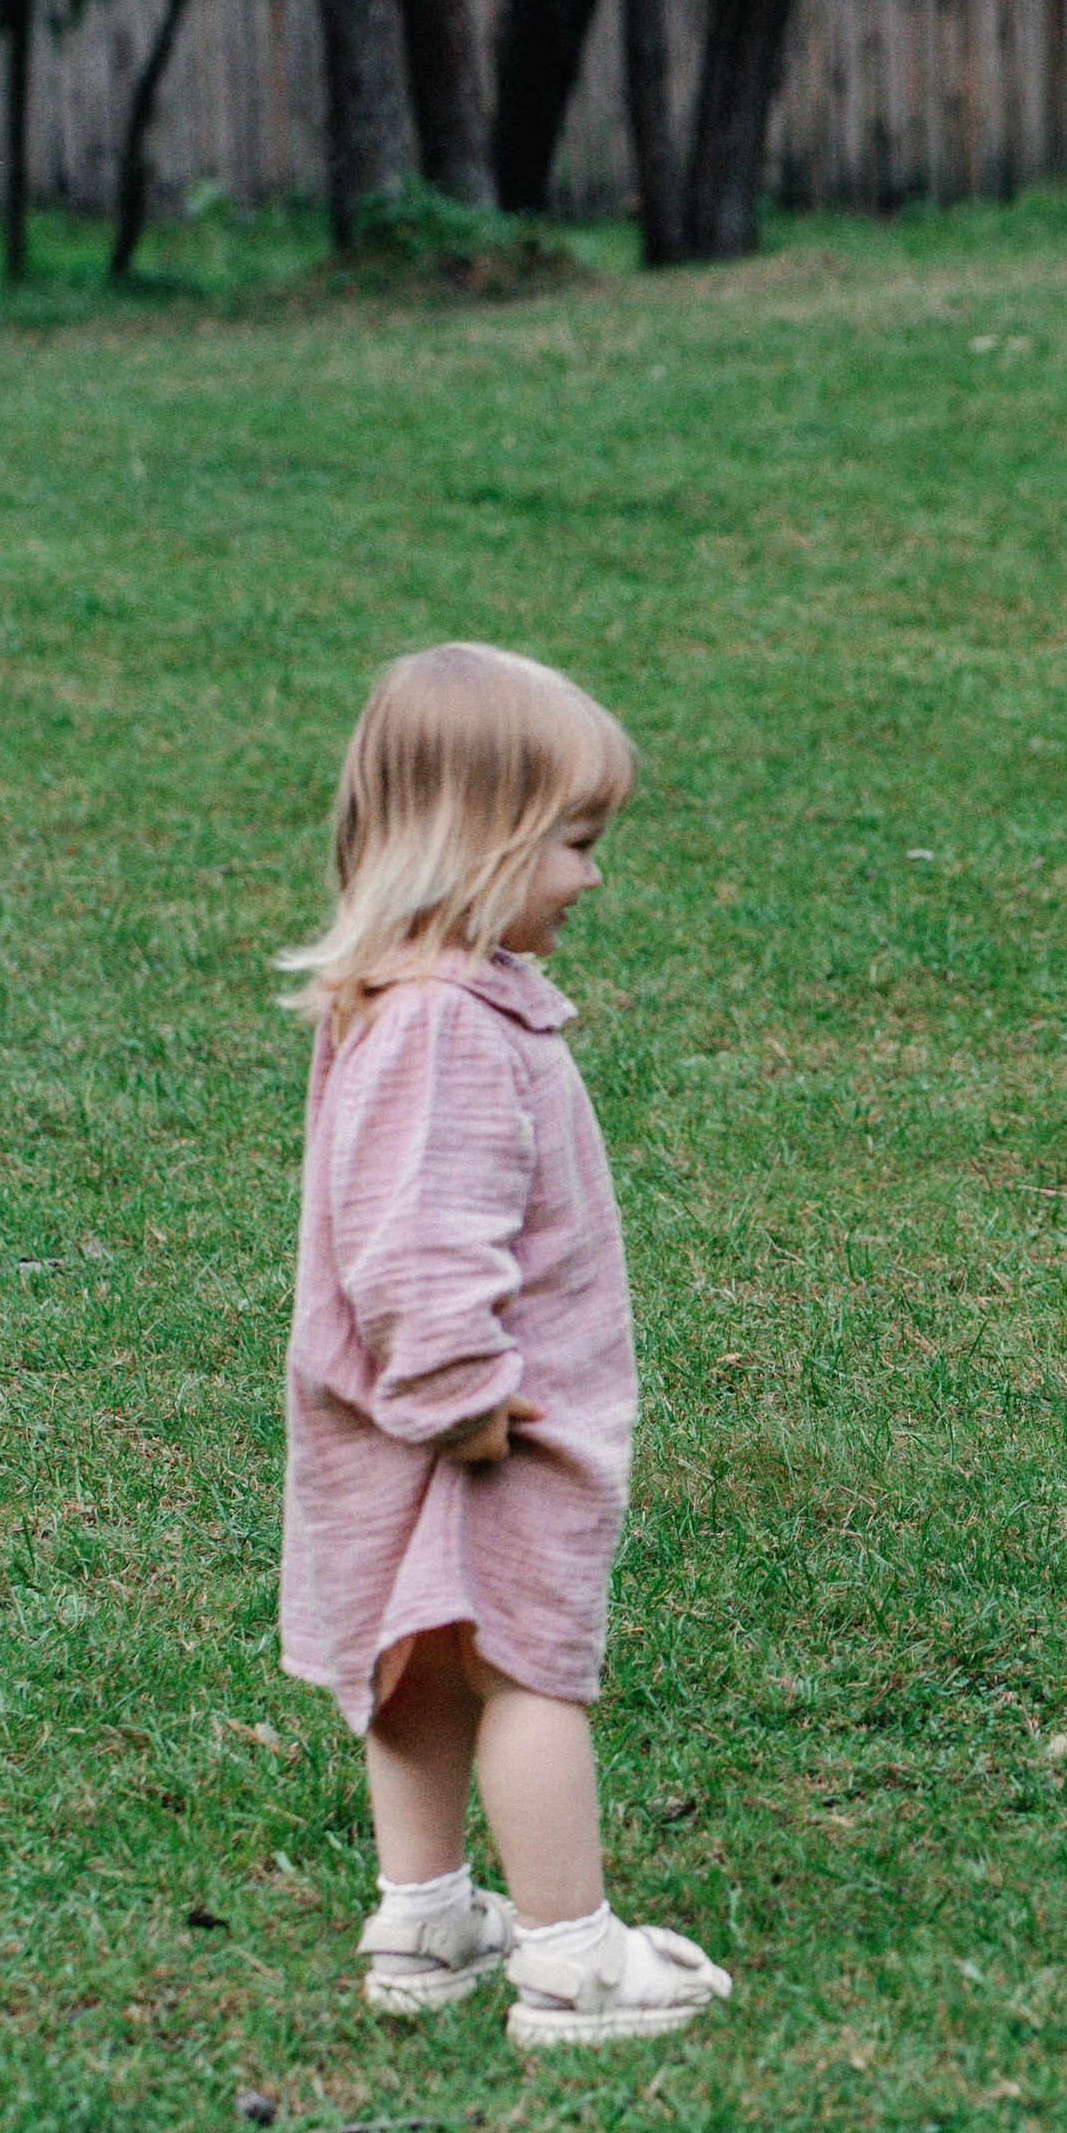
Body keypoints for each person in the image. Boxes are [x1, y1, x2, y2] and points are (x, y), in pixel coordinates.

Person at [275, 641, 729, 2048]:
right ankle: (572, 1961)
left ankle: (425, 1921)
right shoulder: (445, 1029)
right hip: (486, 1422)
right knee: (530, 1667)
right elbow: (416, 1240)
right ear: (475, 844)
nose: (593, 878)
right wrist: (466, 1398)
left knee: (413, 1662)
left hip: (417, 1412)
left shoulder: (415, 1000)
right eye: (575, 843)